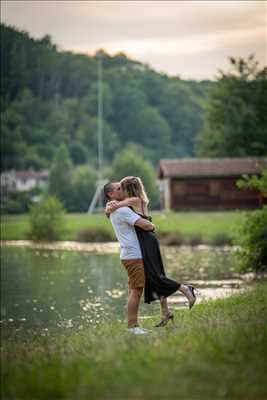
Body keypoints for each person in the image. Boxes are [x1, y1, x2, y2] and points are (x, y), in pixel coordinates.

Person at [105, 177, 197, 328]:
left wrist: (109, 207)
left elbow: (116, 209)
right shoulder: (132, 203)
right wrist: (109, 207)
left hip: (146, 241)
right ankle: (165, 312)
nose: (120, 190)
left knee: (155, 275)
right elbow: (116, 210)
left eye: (122, 187)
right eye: (118, 188)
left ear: (129, 188)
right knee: (156, 275)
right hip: (143, 242)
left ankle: (186, 289)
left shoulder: (134, 200)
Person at [103, 181, 155, 335]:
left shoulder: (117, 208)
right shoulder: (122, 211)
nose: (123, 189)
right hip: (134, 255)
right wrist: (152, 225)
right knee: (136, 291)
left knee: (134, 290)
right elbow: (145, 225)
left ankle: (134, 325)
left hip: (130, 254)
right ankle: (132, 327)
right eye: (119, 188)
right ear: (110, 195)